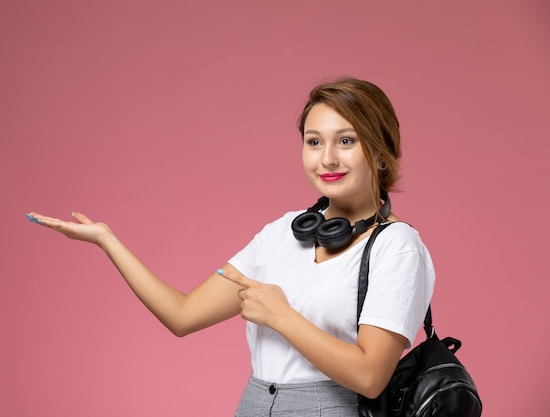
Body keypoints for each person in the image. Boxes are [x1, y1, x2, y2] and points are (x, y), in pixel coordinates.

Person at [26, 77, 435, 416]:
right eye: (314, 142)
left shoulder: (397, 248)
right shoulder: (281, 234)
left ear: (380, 151)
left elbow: (370, 376)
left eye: (345, 141)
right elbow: (182, 314)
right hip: (255, 405)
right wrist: (107, 240)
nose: (326, 158)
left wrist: (281, 316)